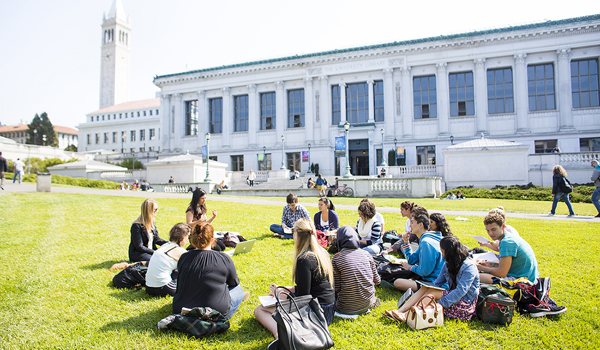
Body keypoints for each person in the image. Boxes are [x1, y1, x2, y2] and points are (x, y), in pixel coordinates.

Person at [254, 219, 335, 348]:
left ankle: (280, 335)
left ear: (296, 234)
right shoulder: (322, 253)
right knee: (278, 297)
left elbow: (303, 297)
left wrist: (282, 295)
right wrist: (284, 290)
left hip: (316, 314)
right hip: (328, 309)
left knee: (259, 310)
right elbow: (311, 287)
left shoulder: (304, 259)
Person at [386, 236, 480, 322]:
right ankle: (400, 311)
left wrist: (439, 302)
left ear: (450, 253)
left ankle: (408, 315)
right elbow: (437, 283)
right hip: (452, 297)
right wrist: (427, 289)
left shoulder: (468, 267)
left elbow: (460, 291)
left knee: (433, 292)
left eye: (443, 252)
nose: (442, 255)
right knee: (425, 288)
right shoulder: (448, 264)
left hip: (464, 303)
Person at [173, 223, 247, 319]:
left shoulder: (184, 257)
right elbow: (234, 282)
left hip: (182, 309)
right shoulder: (223, 259)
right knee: (238, 290)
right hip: (215, 312)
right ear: (212, 240)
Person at [476, 209, 539, 284]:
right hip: (526, 278)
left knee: (475, 276)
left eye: (494, 229)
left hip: (523, 283)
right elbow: (506, 266)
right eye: (488, 230)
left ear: (503, 226)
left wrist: (479, 267)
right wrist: (489, 264)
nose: (490, 233)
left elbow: (502, 273)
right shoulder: (508, 238)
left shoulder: (507, 242)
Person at [332, 226, 381, 315]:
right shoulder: (367, 254)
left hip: (344, 307)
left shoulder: (337, 258)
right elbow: (377, 281)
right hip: (367, 303)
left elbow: (337, 288)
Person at [393, 209, 444, 292]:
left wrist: (409, 267)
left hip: (434, 283)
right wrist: (406, 242)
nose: (410, 226)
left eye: (412, 222)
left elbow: (425, 271)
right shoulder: (430, 238)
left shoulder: (426, 242)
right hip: (436, 280)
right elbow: (412, 260)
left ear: (420, 225)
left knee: (398, 282)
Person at [145, 223, 190, 297]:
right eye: (187, 237)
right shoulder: (179, 250)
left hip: (149, 287)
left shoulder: (164, 246)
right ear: (183, 237)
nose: (187, 240)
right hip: (163, 288)